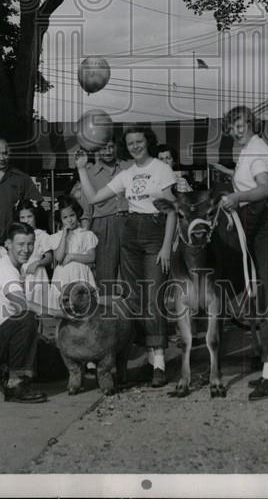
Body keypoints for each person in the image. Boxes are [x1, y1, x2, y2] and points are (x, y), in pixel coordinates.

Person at [75, 125, 177, 387]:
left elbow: (172, 211)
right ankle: (143, 360)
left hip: (155, 234)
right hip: (130, 234)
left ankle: (159, 365)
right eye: (130, 143)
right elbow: (95, 198)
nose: (135, 146)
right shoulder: (127, 173)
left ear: (148, 142)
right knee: (134, 299)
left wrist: (166, 246)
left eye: (139, 142)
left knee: (153, 298)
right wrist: (81, 169)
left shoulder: (161, 169)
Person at [218, 106, 268, 400]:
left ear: (252, 123)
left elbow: (263, 189)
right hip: (261, 222)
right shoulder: (249, 151)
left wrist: (236, 197)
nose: (238, 130)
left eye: (241, 123)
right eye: (233, 126)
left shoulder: (257, 149)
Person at [0, 222, 67, 403]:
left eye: (30, 244)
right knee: (27, 316)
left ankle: (5, 370)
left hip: (0, 336)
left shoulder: (16, 267)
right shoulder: (4, 268)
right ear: (8, 244)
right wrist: (56, 312)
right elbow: (21, 305)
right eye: (21, 244)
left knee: (59, 366)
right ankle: (15, 384)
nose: (27, 249)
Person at [70, 138, 129, 290]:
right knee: (106, 274)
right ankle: (107, 311)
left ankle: (133, 311)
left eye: (111, 147)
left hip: (129, 222)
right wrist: (84, 238)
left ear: (116, 147)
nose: (108, 151)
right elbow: (86, 211)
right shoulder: (88, 174)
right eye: (103, 148)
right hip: (103, 227)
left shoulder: (128, 168)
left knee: (132, 271)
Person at [47, 196, 98, 308]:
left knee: (83, 306)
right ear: (60, 220)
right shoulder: (57, 237)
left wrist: (71, 256)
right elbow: (59, 258)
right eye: (65, 217)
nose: (69, 220)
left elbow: (91, 257)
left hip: (81, 273)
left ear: (77, 214)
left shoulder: (86, 234)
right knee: (64, 305)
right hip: (63, 275)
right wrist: (64, 235)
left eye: (72, 215)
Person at [16, 200, 54, 316]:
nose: (26, 220)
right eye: (22, 218)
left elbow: (49, 257)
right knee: (23, 307)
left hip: (37, 274)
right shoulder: (16, 236)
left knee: (39, 306)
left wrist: (37, 263)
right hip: (22, 273)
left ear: (35, 217)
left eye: (29, 216)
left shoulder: (41, 235)